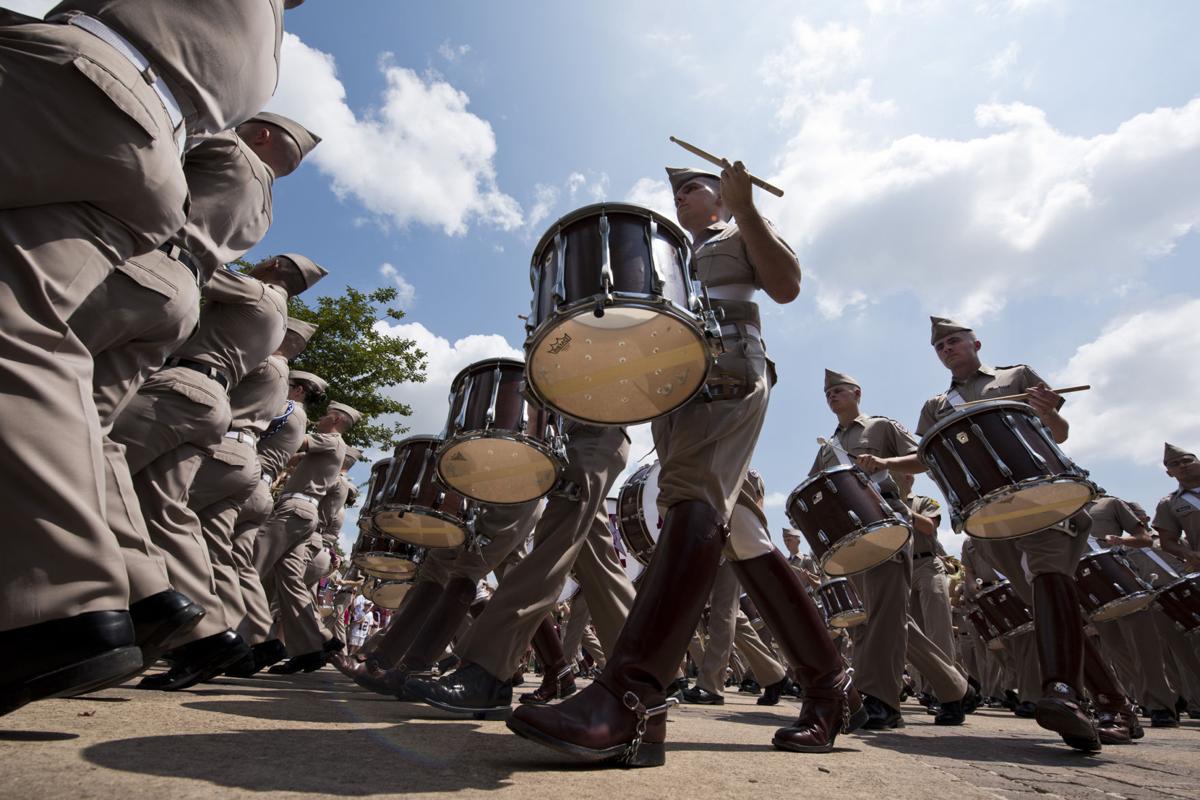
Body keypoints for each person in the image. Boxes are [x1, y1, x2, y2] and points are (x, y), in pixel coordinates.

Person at [508, 161, 862, 767]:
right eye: (675, 191)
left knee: (692, 502)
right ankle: (831, 688)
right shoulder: (668, 254)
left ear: (721, 195)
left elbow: (786, 286)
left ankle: (632, 699)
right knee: (743, 534)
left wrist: (747, 209)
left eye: (693, 187)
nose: (681, 196)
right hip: (674, 386)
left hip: (727, 371)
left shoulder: (740, 230)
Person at [0, 0, 298, 716]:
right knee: (124, 462)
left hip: (160, 270)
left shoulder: (237, 188)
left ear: (260, 134)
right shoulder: (263, 58)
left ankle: (99, 597)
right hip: (178, 302)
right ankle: (153, 601)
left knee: (63, 394)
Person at [865, 316, 1137, 751]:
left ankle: (1065, 694)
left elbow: (1058, 435)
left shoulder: (1017, 376)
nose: (948, 349)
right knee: (1048, 606)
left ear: (975, 342)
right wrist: (885, 465)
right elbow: (925, 459)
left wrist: (1050, 411)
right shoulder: (936, 405)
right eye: (940, 347)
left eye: (954, 341)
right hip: (990, 515)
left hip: (1042, 496)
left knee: (1050, 581)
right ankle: (1113, 702)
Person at [808, 369, 971, 727]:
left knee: (882, 618)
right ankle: (955, 687)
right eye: (828, 394)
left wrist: (884, 463)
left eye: (839, 391)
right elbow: (816, 487)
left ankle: (881, 700)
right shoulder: (827, 446)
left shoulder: (881, 428)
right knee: (881, 619)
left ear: (857, 393)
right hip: (853, 537)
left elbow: (926, 459)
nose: (832, 396)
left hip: (889, 525)